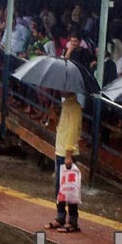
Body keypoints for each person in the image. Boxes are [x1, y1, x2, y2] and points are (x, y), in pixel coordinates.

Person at [46, 92, 82, 233]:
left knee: (70, 189)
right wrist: (55, 120)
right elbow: (63, 129)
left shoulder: (75, 107)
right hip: (60, 151)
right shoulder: (65, 105)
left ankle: (72, 220)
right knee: (60, 187)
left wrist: (68, 154)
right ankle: (60, 216)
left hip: (67, 153)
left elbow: (73, 131)